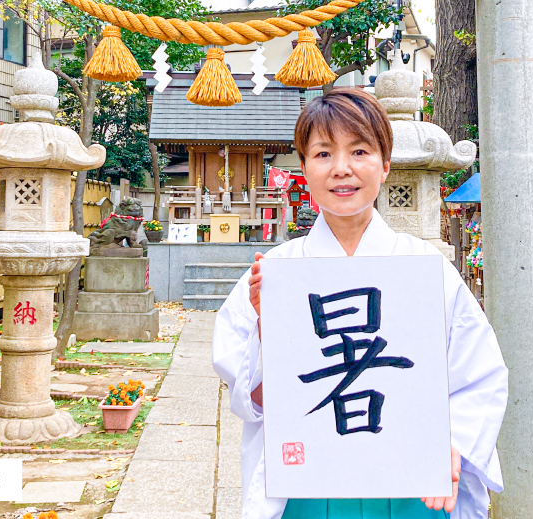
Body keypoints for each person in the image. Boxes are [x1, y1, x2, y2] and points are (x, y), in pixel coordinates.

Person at [212, 89, 508, 519]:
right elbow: (254, 401)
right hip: (308, 488)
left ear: (385, 165)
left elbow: (479, 375)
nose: (342, 169)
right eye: (323, 153)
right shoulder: (275, 275)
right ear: (305, 167)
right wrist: (267, 329)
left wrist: (454, 443)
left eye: (360, 151)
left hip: (412, 484)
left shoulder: (426, 269)